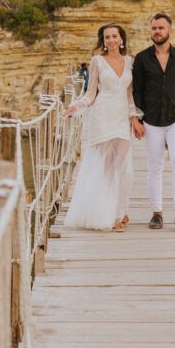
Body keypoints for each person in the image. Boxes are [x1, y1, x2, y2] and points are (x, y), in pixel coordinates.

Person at [62, 24, 142, 232]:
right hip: (102, 115)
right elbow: (90, 94)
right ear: (103, 41)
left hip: (121, 116)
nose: (111, 40)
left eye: (114, 36)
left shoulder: (129, 61)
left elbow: (130, 95)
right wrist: (77, 105)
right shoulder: (97, 61)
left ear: (121, 38)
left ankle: (120, 209)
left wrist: (134, 118)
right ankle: (111, 216)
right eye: (107, 37)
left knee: (123, 167)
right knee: (105, 167)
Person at [131, 13, 175, 230]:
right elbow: (136, 91)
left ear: (170, 30)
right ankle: (157, 214)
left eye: (161, 28)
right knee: (155, 166)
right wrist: (136, 119)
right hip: (151, 120)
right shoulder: (142, 59)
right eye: (154, 28)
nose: (157, 32)